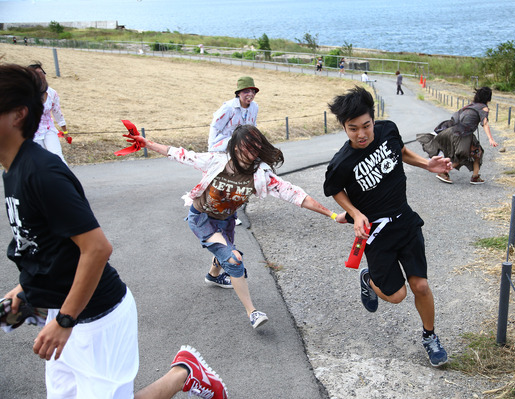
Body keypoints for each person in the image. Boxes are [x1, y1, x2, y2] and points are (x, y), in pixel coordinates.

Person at [0, 64, 228, 399]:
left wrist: (64, 321)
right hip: (65, 316)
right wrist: (21, 295)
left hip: (96, 320)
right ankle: (185, 372)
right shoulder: (13, 172)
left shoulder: (43, 172)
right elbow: (44, 251)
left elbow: (97, 249)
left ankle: (184, 373)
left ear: (18, 114)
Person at [123, 124, 345, 329]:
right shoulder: (216, 162)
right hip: (201, 218)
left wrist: (332, 214)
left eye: (256, 146)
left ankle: (213, 275)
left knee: (224, 251)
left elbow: (295, 194)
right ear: (236, 147)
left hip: (226, 221)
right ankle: (253, 312)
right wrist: (147, 144)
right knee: (233, 258)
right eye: (247, 147)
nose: (252, 152)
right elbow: (181, 155)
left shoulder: (260, 175)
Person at [323, 86, 452, 367]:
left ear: (373, 119)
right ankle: (369, 280)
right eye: (352, 128)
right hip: (376, 234)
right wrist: (355, 213)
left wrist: (426, 165)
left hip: (405, 222)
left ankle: (430, 336)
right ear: (344, 128)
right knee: (396, 295)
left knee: (420, 285)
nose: (361, 134)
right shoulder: (341, 163)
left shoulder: (388, 130)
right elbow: (333, 189)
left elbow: (401, 152)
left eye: (366, 125)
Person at [416, 86, 498, 184]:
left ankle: (475, 176)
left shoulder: (470, 106)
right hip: (462, 134)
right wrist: (490, 139)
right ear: (488, 98)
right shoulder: (484, 108)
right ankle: (443, 172)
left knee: (477, 152)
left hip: (452, 131)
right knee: (463, 155)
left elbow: (456, 117)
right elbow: (485, 123)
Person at [28, 62, 71, 165]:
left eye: (42, 73)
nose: (41, 76)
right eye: (37, 74)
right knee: (39, 161)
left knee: (58, 158)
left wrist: (65, 132)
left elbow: (58, 113)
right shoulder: (26, 93)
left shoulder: (52, 93)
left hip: (49, 130)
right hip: (32, 132)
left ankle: (65, 179)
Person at [208, 76, 259, 152]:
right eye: (246, 91)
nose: (250, 94)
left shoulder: (254, 107)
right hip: (225, 144)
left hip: (244, 144)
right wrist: (211, 148)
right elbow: (215, 127)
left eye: (253, 92)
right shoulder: (229, 107)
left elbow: (253, 127)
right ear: (239, 93)